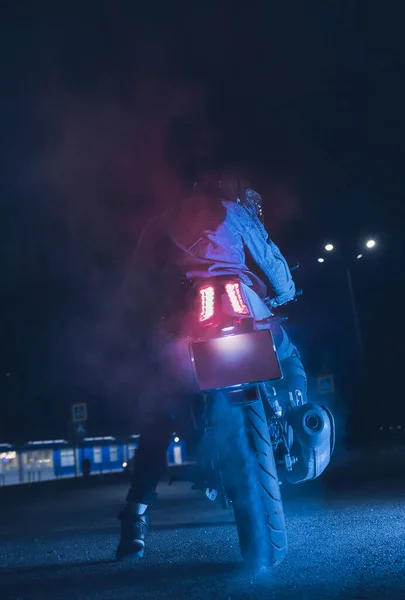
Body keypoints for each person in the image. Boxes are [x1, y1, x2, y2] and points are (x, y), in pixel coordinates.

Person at [116, 177, 307, 562]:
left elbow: (137, 281)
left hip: (187, 323)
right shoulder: (234, 212)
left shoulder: (159, 224)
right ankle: (302, 418)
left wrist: (149, 314)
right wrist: (286, 291)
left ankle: (136, 514)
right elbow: (269, 258)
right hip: (242, 305)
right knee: (289, 358)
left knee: (160, 414)